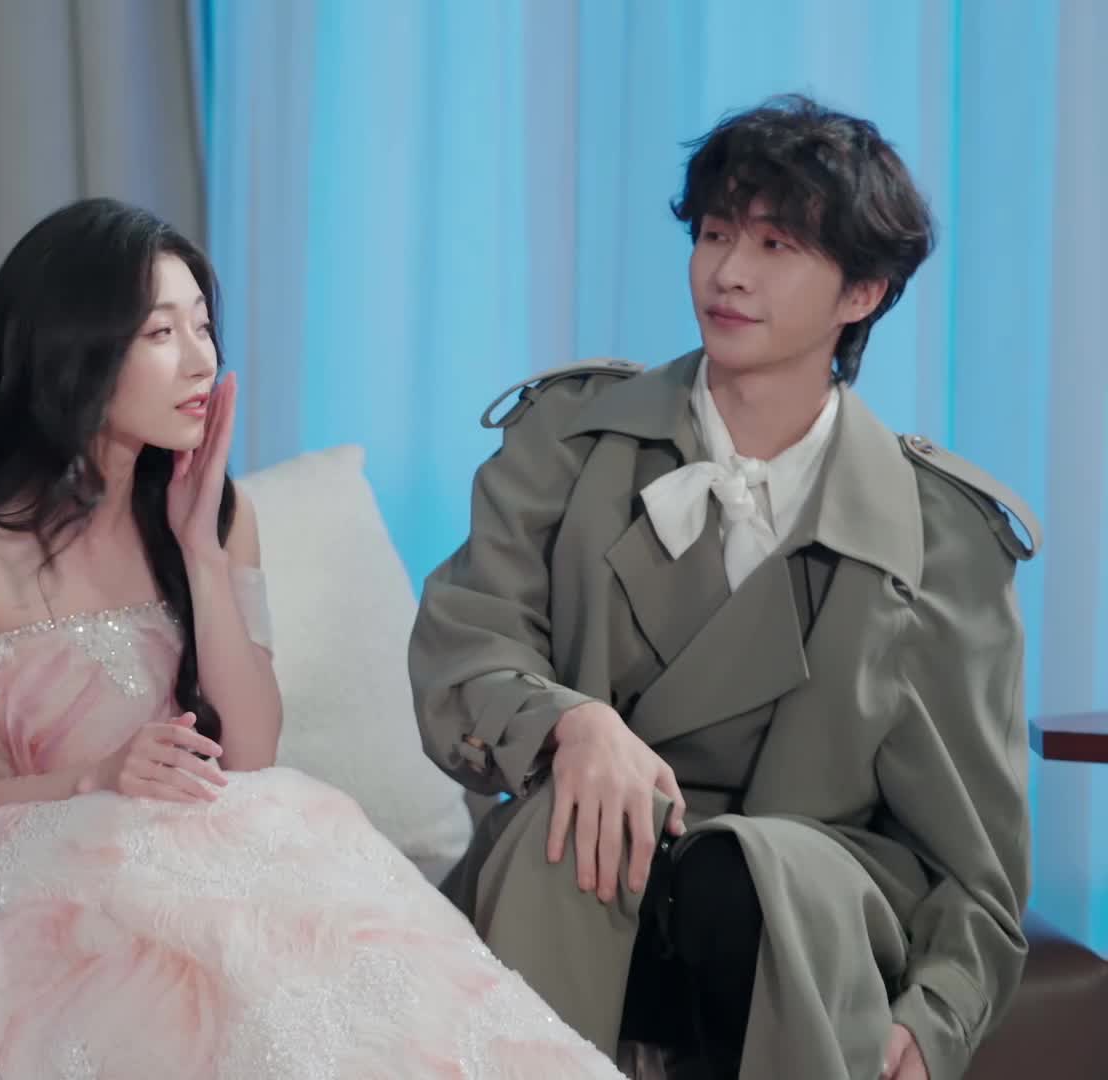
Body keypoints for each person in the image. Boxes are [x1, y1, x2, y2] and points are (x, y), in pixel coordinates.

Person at [0, 197, 622, 1079]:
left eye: (203, 325)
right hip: (21, 873)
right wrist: (95, 780)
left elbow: (253, 754)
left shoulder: (219, 519)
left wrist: (199, 549)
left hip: (200, 847)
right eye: (162, 333)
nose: (201, 359)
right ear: (74, 351)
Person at [410, 95, 1037, 1080]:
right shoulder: (567, 442)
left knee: (747, 881)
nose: (729, 273)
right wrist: (572, 723)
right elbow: (468, 642)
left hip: (792, 909)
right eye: (714, 234)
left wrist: (937, 1014)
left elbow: (975, 859)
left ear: (863, 292)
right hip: (577, 860)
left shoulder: (941, 536)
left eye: (776, 244)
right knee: (565, 837)